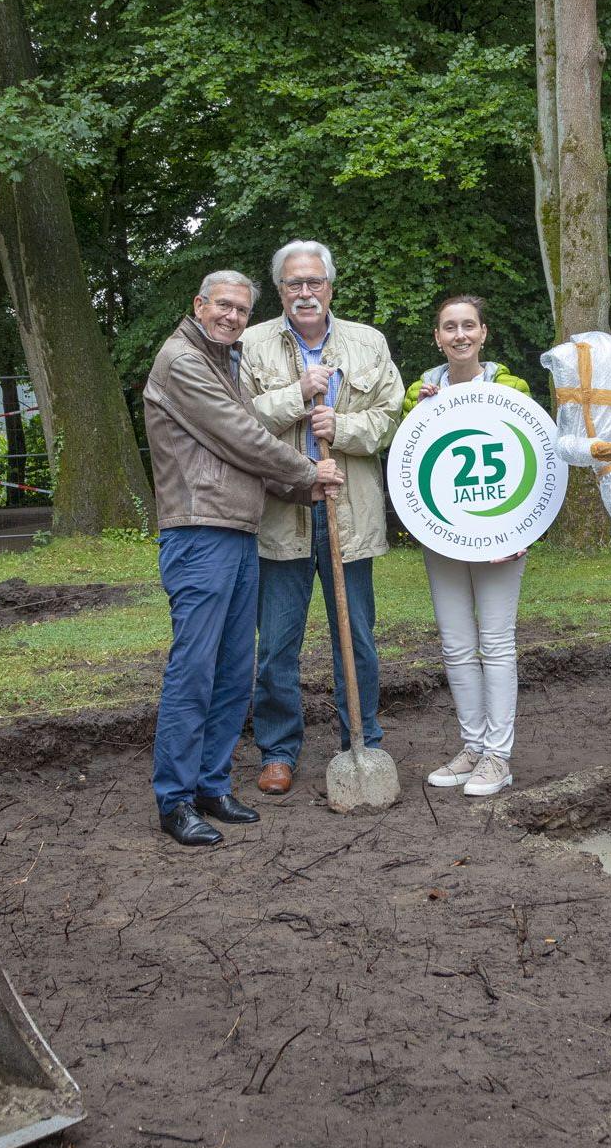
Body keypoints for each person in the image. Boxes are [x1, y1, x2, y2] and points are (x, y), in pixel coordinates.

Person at [141, 270, 344, 845]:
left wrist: (299, 491)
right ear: (198, 305)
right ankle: (175, 801)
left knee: (233, 672)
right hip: (197, 531)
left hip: (237, 530)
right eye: (222, 306)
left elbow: (242, 453)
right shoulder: (181, 361)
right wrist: (308, 471)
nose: (231, 316)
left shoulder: (224, 362)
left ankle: (211, 783)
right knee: (195, 670)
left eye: (240, 309)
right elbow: (240, 435)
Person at [241, 241, 404, 795]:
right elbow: (235, 421)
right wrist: (296, 395)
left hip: (348, 514)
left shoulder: (368, 343)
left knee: (355, 638)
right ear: (281, 290)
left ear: (330, 286)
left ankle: (362, 740)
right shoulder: (251, 343)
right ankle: (278, 751)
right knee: (277, 645)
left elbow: (388, 416)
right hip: (280, 514)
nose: (304, 293)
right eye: (293, 284)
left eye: (314, 282)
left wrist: (345, 428)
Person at [401, 295, 532, 796]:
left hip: (502, 539)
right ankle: (472, 747)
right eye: (449, 327)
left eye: (468, 326)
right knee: (456, 646)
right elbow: (409, 460)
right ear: (437, 337)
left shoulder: (510, 387)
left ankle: (498, 757)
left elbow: (533, 459)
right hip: (444, 537)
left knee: (497, 644)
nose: (459, 335)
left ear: (483, 333)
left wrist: (522, 530)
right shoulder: (421, 391)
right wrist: (423, 409)